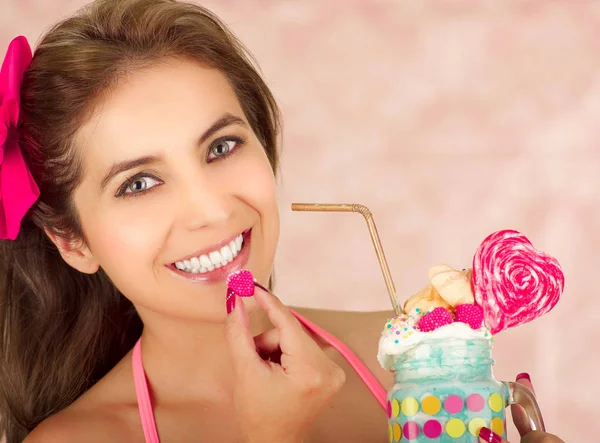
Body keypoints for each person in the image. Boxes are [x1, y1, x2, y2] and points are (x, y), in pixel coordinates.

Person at [0, 0, 565, 442]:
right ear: (72, 242)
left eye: (221, 146)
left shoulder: (411, 354)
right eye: (138, 183)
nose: (214, 210)